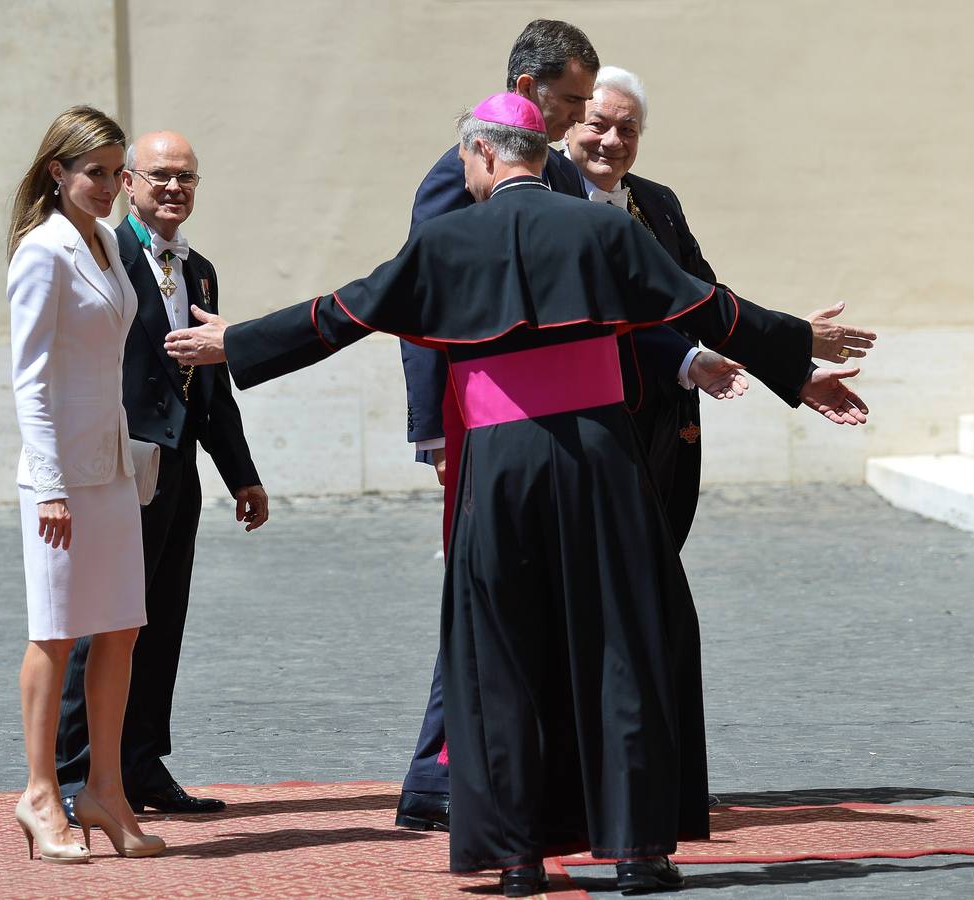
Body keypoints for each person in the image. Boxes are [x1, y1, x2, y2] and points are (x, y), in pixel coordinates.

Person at [166, 93, 868, 896]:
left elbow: (344, 311)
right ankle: (639, 851)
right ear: (541, 152)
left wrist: (238, 342)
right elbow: (710, 307)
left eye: (464, 160)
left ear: (483, 154)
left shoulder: (447, 238)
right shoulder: (605, 228)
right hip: (601, 459)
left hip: (498, 466)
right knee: (626, 640)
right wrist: (795, 357)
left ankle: (517, 856)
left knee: (498, 649)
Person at [394, 19, 745, 834]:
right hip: (489, 422)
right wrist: (435, 434)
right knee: (486, 607)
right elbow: (418, 305)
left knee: (530, 608)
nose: (586, 119)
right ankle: (438, 779)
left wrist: (773, 349)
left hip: (573, 427)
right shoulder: (465, 172)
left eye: (603, 109)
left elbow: (651, 302)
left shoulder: (558, 175)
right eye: (575, 102)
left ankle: (523, 787)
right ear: (527, 94)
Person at [566, 65, 879, 546]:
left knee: (658, 570)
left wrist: (795, 370)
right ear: (569, 124)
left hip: (669, 424)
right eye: (598, 124)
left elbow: (706, 299)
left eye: (628, 130)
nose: (612, 141)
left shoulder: (657, 201)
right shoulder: (545, 202)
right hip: (588, 427)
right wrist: (794, 335)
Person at [56, 132, 268, 819]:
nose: (174, 188)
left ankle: (141, 767)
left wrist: (242, 475)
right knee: (102, 622)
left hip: (175, 470)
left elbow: (212, 387)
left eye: (187, 177)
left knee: (158, 619)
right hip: (118, 462)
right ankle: (74, 773)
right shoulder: (101, 253)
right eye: (160, 176)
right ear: (128, 184)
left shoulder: (200, 269)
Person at [7, 105, 164, 861]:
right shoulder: (42, 252)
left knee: (123, 628)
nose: (109, 185)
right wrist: (51, 485)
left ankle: (104, 788)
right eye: (94, 172)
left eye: (114, 170)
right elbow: (29, 382)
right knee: (56, 633)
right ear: (57, 174)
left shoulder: (106, 242)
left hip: (110, 468)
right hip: (60, 476)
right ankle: (40, 793)